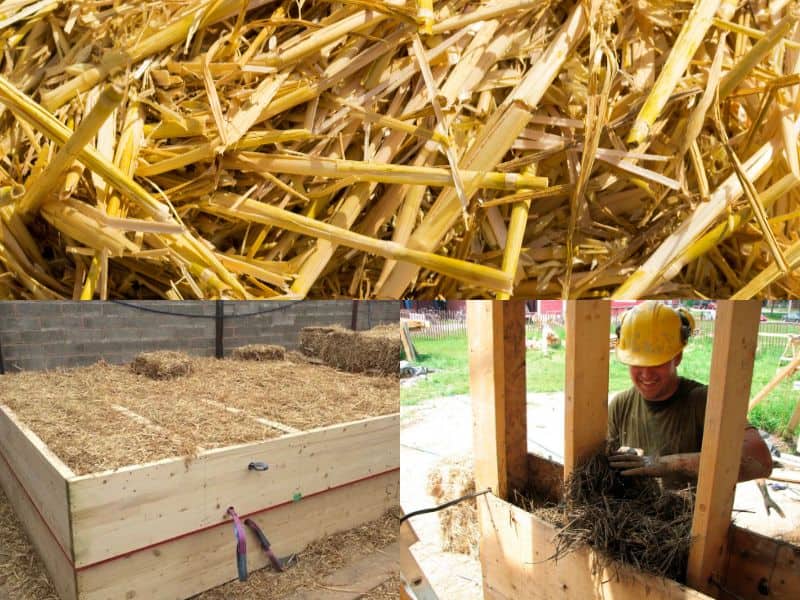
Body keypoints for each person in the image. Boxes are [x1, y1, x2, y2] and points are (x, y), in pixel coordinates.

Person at [608, 301, 772, 489]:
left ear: (677, 357)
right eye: (637, 363)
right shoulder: (621, 405)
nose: (646, 374)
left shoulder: (704, 402)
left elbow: (761, 461)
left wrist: (664, 465)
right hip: (635, 516)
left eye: (657, 362)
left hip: (691, 517)